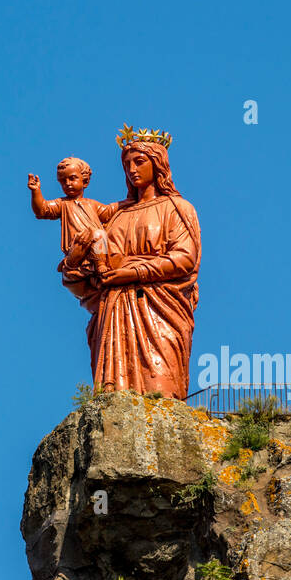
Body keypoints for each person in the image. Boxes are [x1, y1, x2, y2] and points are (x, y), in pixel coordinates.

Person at [59, 131, 200, 400]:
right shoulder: (115, 217)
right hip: (115, 311)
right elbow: (87, 276)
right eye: (127, 164)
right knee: (114, 404)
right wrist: (74, 263)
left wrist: (129, 272)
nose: (132, 169)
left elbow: (184, 259)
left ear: (157, 163)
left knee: (161, 395)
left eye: (139, 161)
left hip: (160, 308)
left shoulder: (178, 208)